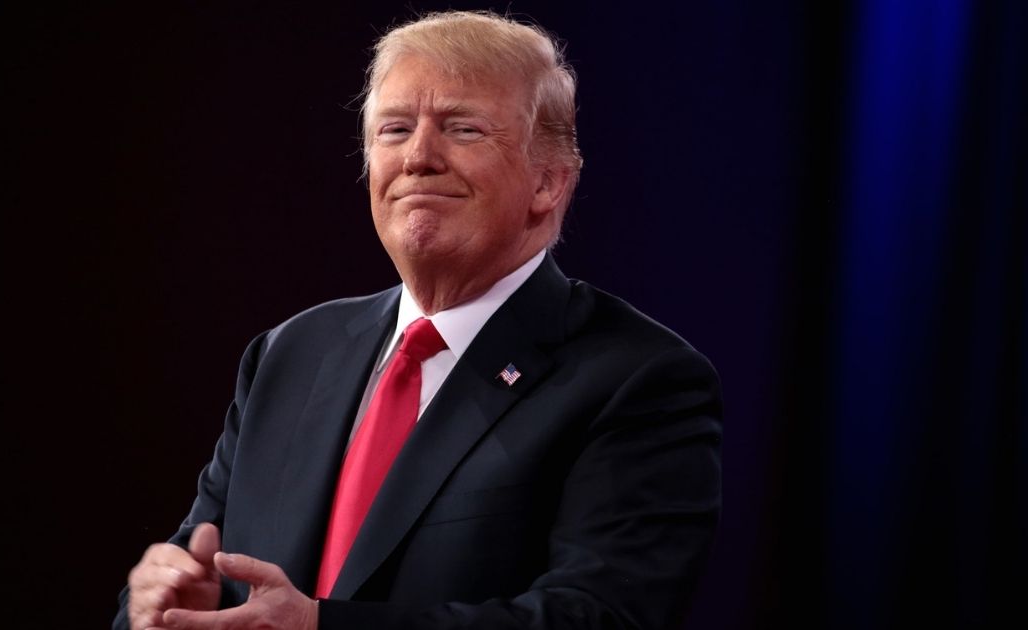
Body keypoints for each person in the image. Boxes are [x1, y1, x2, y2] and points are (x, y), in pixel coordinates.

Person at [115, 10, 722, 630]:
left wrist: (323, 628)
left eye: (463, 129)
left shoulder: (638, 380)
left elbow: (598, 617)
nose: (418, 157)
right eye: (395, 129)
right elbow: (200, 565)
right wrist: (155, 608)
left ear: (547, 182)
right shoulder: (290, 352)